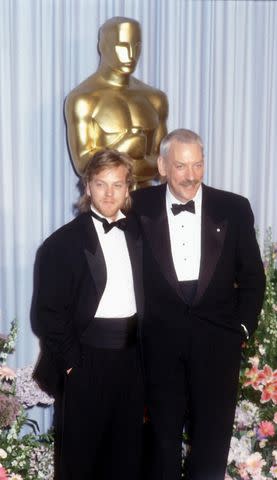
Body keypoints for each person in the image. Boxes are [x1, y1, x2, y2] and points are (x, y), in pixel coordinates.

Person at [131, 129, 266, 480]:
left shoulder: (234, 208)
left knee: (213, 440)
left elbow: (253, 277)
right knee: (161, 440)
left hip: (218, 344)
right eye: (180, 166)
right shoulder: (138, 206)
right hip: (160, 345)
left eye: (197, 165)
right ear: (162, 165)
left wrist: (241, 328)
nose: (190, 175)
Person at [31, 149, 144, 480]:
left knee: (126, 456)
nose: (110, 193)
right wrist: (71, 364)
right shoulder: (60, 244)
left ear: (128, 189)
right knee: (80, 460)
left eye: (117, 185)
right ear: (87, 187)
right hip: (84, 361)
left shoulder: (140, 235)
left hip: (132, 361)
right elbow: (47, 314)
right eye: (101, 184)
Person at [65, 16, 168, 186]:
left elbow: (163, 163)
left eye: (136, 47)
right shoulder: (83, 99)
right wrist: (127, 147)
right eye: (122, 46)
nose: (130, 55)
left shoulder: (155, 98)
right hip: (105, 203)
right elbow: (83, 165)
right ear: (102, 46)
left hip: (148, 204)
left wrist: (114, 158)